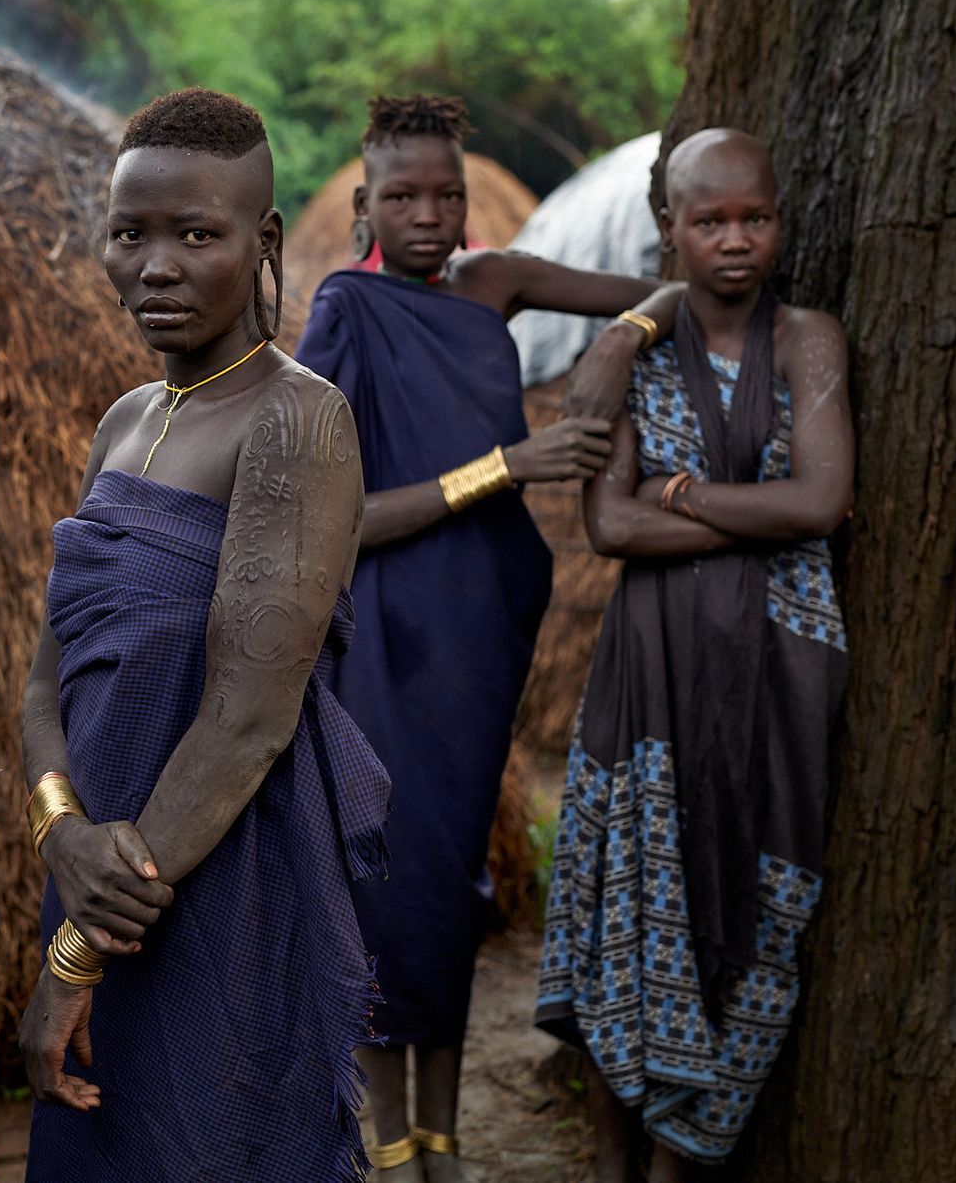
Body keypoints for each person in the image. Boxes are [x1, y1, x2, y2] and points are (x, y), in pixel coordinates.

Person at [16, 88, 391, 1181]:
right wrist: (61, 837)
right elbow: (47, 677)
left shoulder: (299, 418)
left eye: (197, 234)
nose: (157, 265)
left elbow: (247, 716)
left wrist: (82, 944)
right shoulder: (125, 422)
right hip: (97, 871)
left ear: (263, 240)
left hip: (220, 889)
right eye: (131, 233)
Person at [293, 93, 665, 1181]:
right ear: (364, 201)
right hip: (385, 631)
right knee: (386, 878)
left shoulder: (493, 283)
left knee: (454, 877)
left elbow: (677, 288)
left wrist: (621, 344)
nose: (429, 213)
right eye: (402, 195)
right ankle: (387, 1142)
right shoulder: (345, 312)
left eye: (447, 192)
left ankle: (441, 1142)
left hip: (481, 626)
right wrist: (505, 468)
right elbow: (339, 514)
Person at [536, 128, 852, 1181]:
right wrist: (759, 516)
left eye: (752, 218)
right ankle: (621, 1144)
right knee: (642, 889)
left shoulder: (809, 339)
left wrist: (677, 494)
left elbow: (822, 499)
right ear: (669, 227)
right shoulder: (632, 355)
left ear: (778, 217)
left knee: (764, 889)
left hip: (782, 665)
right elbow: (611, 531)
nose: (733, 240)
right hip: (655, 666)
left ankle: (687, 1153)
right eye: (708, 220)